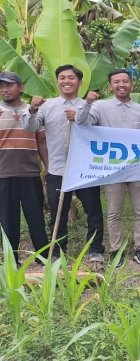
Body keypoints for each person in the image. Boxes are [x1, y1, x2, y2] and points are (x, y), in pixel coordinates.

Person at [22, 65, 105, 261]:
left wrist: (82, 109)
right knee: (57, 213)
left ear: (80, 82)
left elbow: (87, 123)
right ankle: (58, 251)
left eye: (71, 78)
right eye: (62, 77)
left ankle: (95, 250)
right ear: (57, 81)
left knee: (93, 210)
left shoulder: (89, 105)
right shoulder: (47, 106)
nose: (66, 81)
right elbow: (30, 127)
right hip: (58, 169)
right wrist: (32, 109)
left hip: (85, 169)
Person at [76, 69, 140, 265]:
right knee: (114, 212)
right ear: (110, 86)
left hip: (137, 169)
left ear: (131, 85)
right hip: (111, 170)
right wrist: (87, 103)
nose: (121, 85)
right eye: (116, 81)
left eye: (125, 81)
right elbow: (82, 122)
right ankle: (116, 249)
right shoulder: (100, 107)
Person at [0, 72, 49, 263]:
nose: (5, 89)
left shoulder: (34, 110)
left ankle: (43, 256)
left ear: (21, 88)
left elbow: (42, 142)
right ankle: (12, 258)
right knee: (8, 219)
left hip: (30, 173)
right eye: (2, 86)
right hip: (3, 174)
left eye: (9, 85)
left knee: (35, 216)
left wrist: (48, 167)